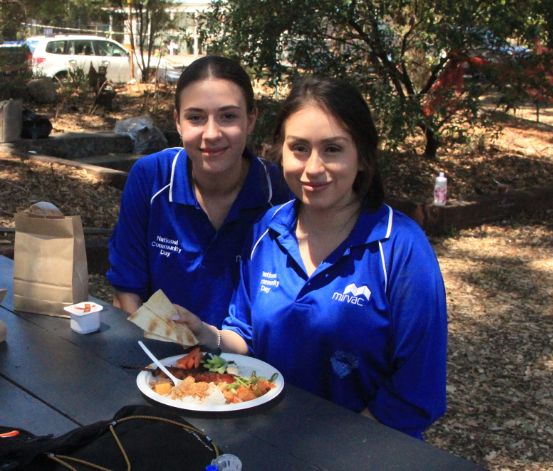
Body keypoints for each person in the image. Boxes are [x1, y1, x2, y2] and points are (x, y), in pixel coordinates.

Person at [173, 76, 447, 439]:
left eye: (332, 149)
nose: (313, 168)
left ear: (363, 157)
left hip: (364, 451)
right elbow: (247, 336)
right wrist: (207, 334)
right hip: (267, 439)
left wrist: (325, 451)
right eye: (299, 148)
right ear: (280, 152)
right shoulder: (265, 232)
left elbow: (417, 390)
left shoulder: (401, 249)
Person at [107, 56, 291, 327]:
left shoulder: (280, 190)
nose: (211, 133)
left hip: (251, 364)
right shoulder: (151, 178)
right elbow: (127, 289)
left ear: (251, 119)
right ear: (178, 122)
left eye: (228, 116)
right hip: (159, 355)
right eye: (196, 118)